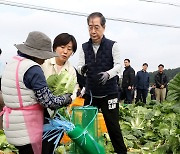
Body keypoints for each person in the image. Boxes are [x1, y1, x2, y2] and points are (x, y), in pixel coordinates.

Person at [0, 31, 72, 154]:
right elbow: (48, 101)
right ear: (36, 54)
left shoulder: (12, 63)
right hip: (29, 127)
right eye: (44, 56)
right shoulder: (33, 69)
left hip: (12, 125)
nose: (45, 59)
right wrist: (65, 99)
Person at [78, 12, 127, 154]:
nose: (93, 31)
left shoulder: (113, 45)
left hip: (109, 94)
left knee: (113, 128)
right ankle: (87, 151)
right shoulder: (83, 47)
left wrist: (108, 74)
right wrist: (82, 69)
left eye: (96, 27)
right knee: (86, 127)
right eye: (90, 27)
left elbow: (118, 65)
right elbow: (80, 66)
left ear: (103, 27)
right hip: (91, 94)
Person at [41, 33, 78, 154]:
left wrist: (67, 99)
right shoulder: (44, 63)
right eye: (62, 47)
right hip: (39, 110)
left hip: (57, 113)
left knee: (50, 145)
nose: (65, 52)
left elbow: (73, 91)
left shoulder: (71, 70)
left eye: (69, 49)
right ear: (55, 47)